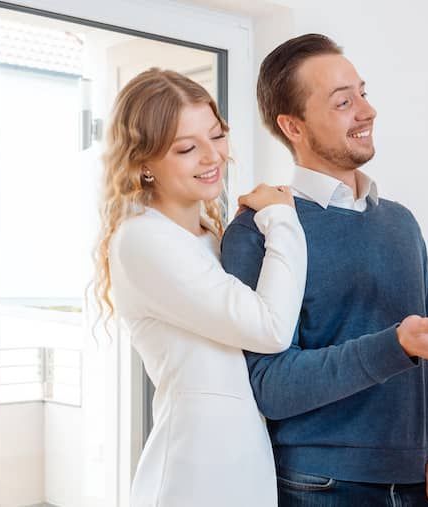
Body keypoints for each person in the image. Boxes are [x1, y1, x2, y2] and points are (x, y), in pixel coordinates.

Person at [221, 34, 428, 506]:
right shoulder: (261, 231)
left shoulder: (399, 221)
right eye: (342, 102)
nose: (366, 111)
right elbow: (269, 385)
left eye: (363, 94)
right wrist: (394, 346)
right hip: (321, 485)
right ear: (293, 126)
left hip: (424, 483)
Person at [93, 68, 307, 506]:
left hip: (245, 460)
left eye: (217, 136)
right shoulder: (143, 240)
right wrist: (282, 217)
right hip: (196, 471)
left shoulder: (211, 237)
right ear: (143, 163)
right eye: (187, 148)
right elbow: (269, 327)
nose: (212, 157)